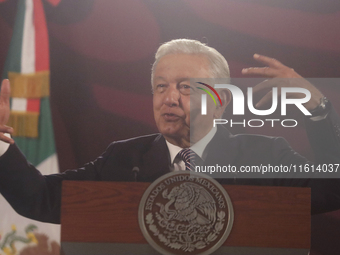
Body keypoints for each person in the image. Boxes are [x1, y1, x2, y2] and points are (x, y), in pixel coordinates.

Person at [0, 39, 339, 224]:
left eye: (186, 87)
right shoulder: (124, 159)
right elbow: (41, 199)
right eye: (160, 86)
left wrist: (318, 109)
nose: (169, 98)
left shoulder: (264, 156)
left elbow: (333, 188)